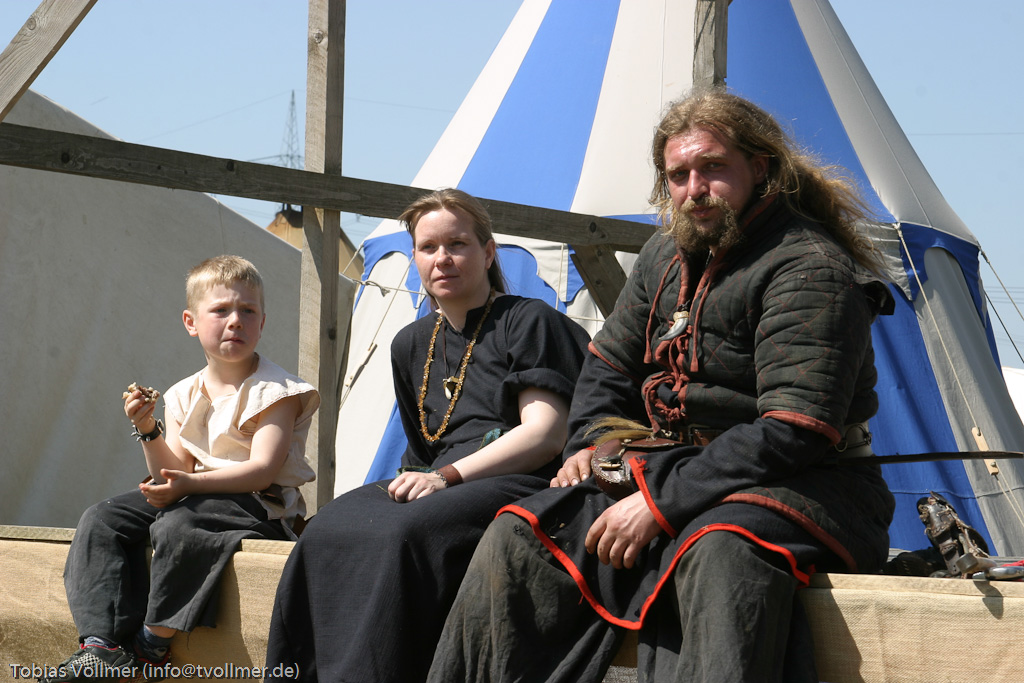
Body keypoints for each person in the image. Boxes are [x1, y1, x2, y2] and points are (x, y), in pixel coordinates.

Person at [426, 88, 897, 683]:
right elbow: (607, 367)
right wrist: (591, 447)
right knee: (522, 533)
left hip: (808, 486)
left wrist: (660, 504)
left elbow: (793, 429)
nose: (694, 189)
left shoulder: (808, 267)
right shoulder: (664, 255)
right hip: (670, 469)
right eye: (678, 175)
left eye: (713, 168)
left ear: (760, 168)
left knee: (718, 550)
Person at [264, 188, 591, 682]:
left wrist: (445, 478)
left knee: (404, 534)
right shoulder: (410, 343)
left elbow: (544, 435)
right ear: (415, 256)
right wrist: (431, 479)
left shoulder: (528, 320)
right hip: (445, 480)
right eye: (428, 247)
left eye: (457, 244)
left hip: (524, 480)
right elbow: (422, 450)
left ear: (487, 252)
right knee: (327, 528)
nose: (443, 258)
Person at [41, 255, 319, 682]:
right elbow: (172, 471)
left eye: (248, 311)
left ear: (262, 322)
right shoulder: (182, 393)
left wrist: (186, 483)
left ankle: (152, 641)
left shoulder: (278, 392)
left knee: (178, 524)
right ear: (191, 322)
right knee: (101, 518)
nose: (236, 321)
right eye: (221, 310)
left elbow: (262, 471)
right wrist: (147, 428)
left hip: (256, 506)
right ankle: (100, 646)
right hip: (194, 494)